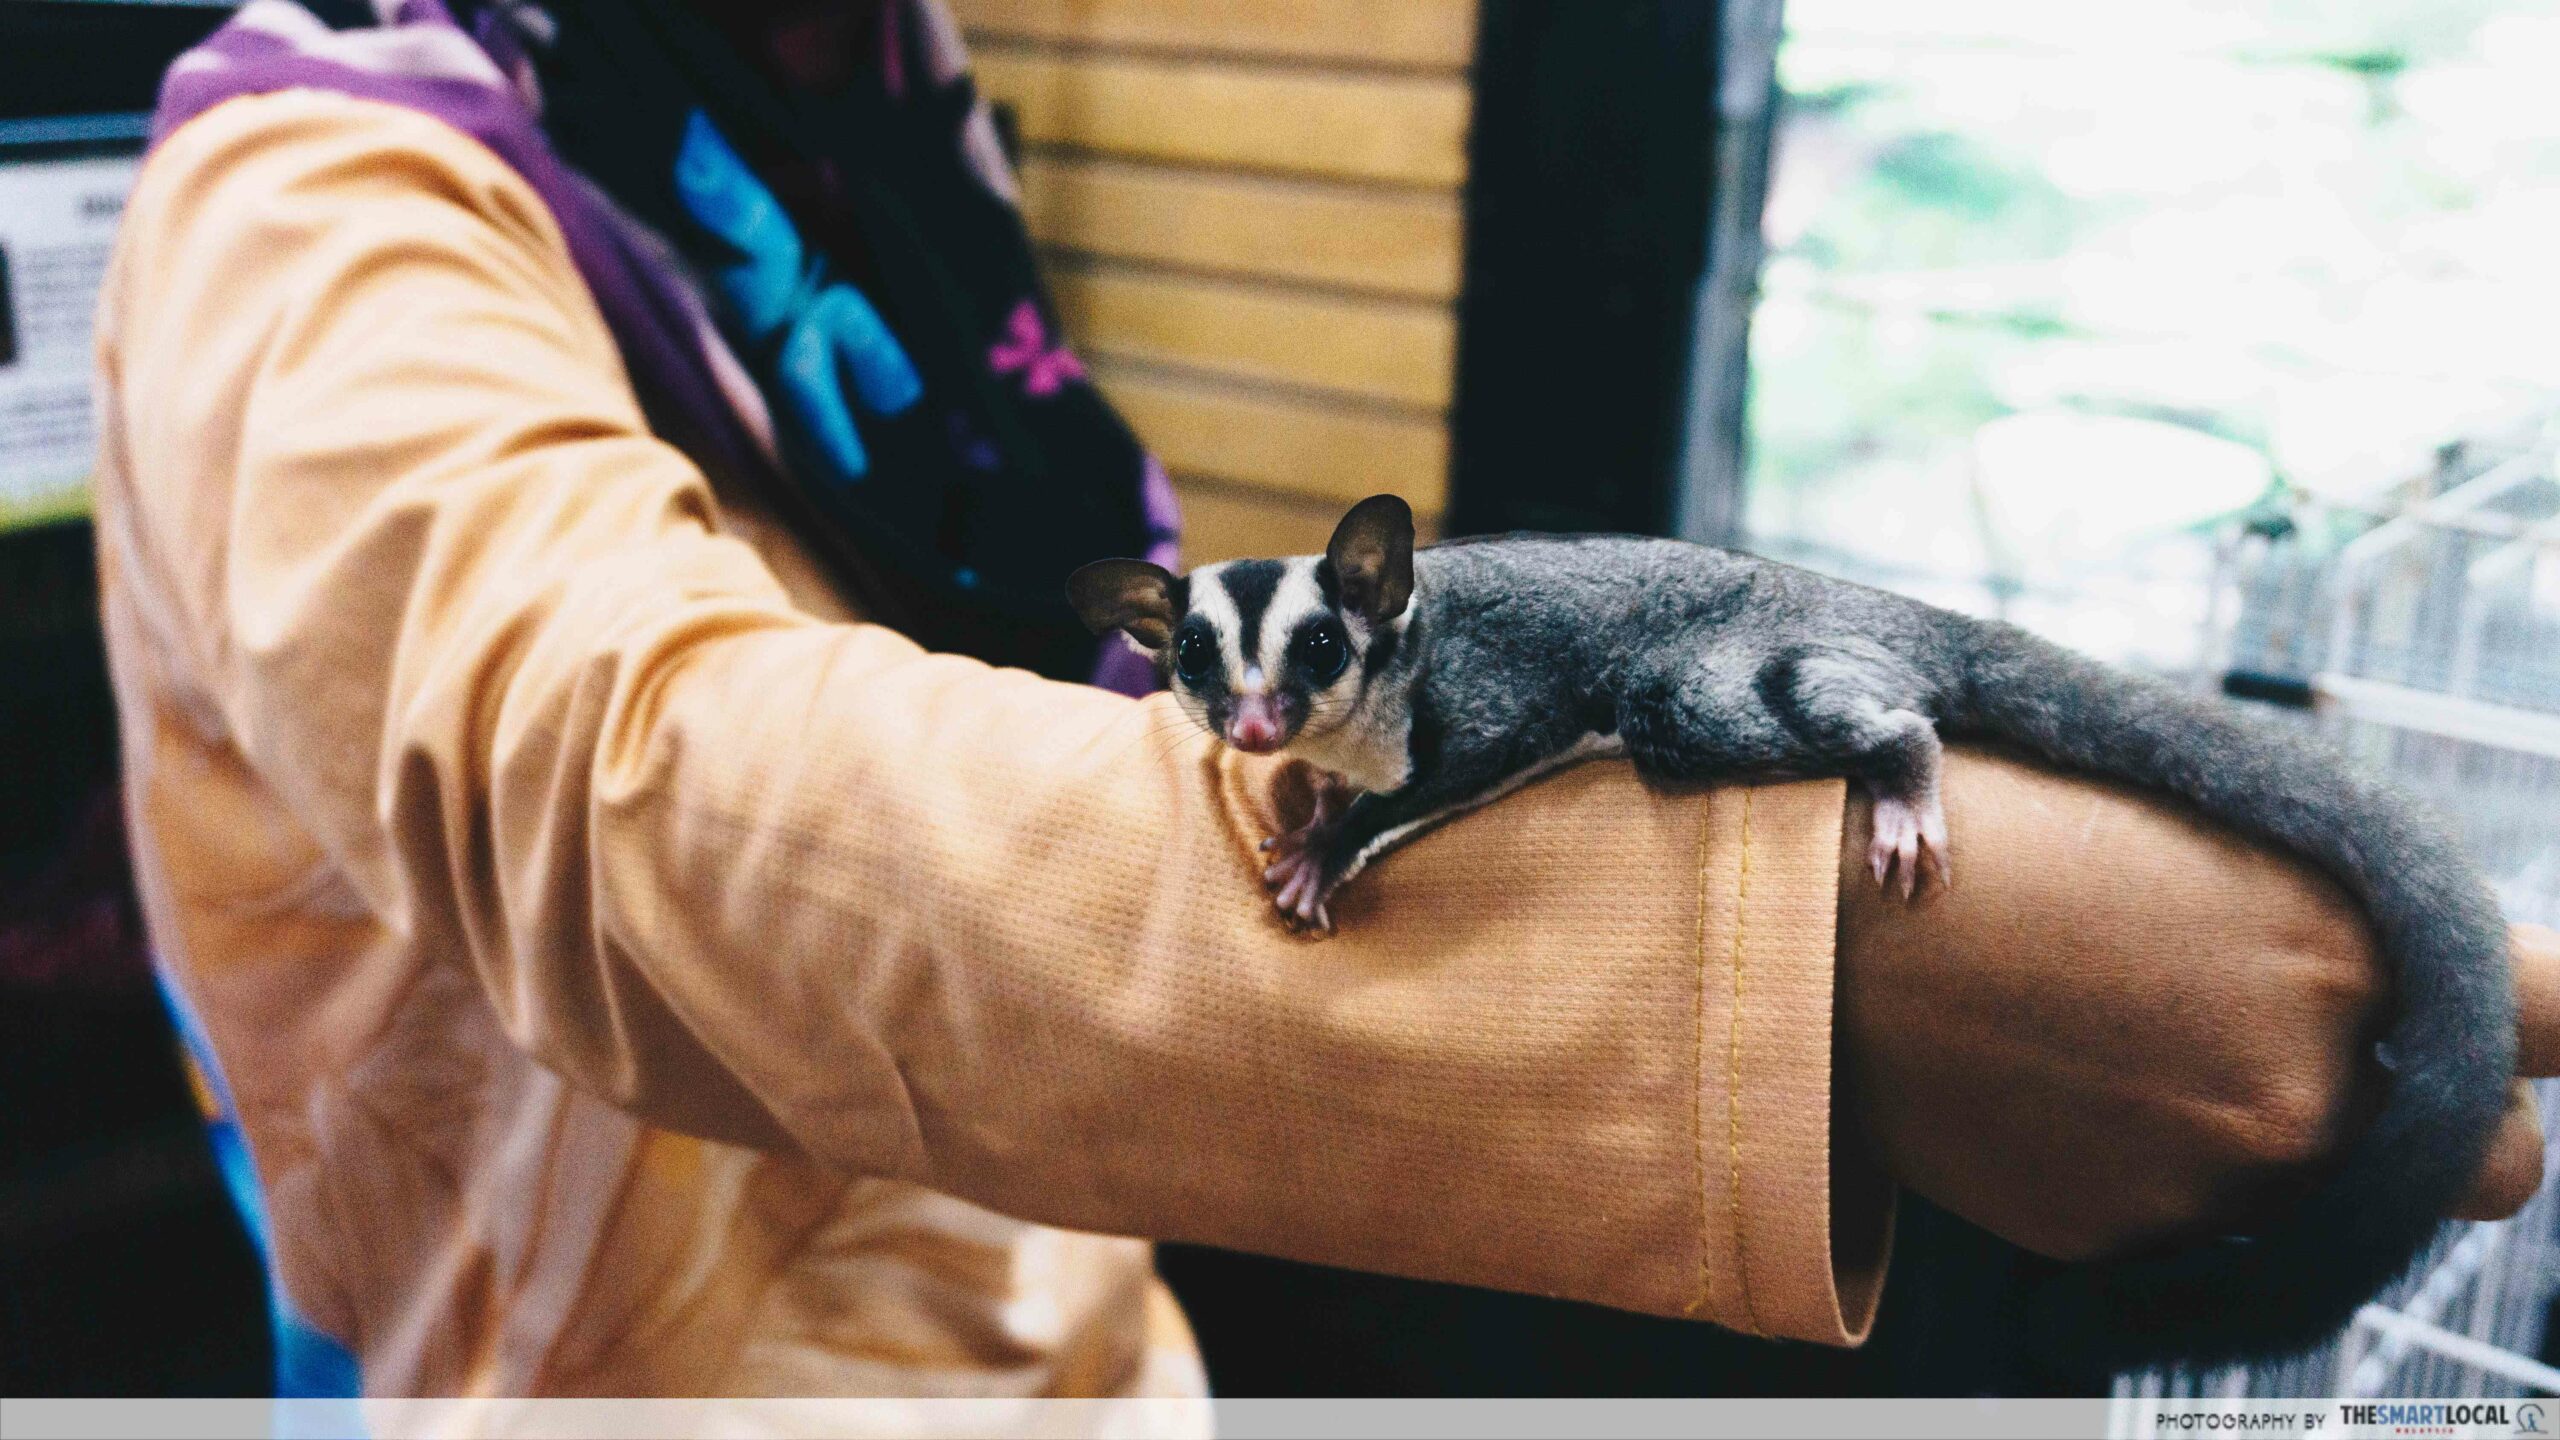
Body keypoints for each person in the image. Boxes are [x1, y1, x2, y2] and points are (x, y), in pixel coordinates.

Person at [92, 16, 2560, 1419]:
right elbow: (628, 800)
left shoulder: (833, 119)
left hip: (1065, 1330)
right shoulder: (314, 219)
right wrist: (1786, 964)